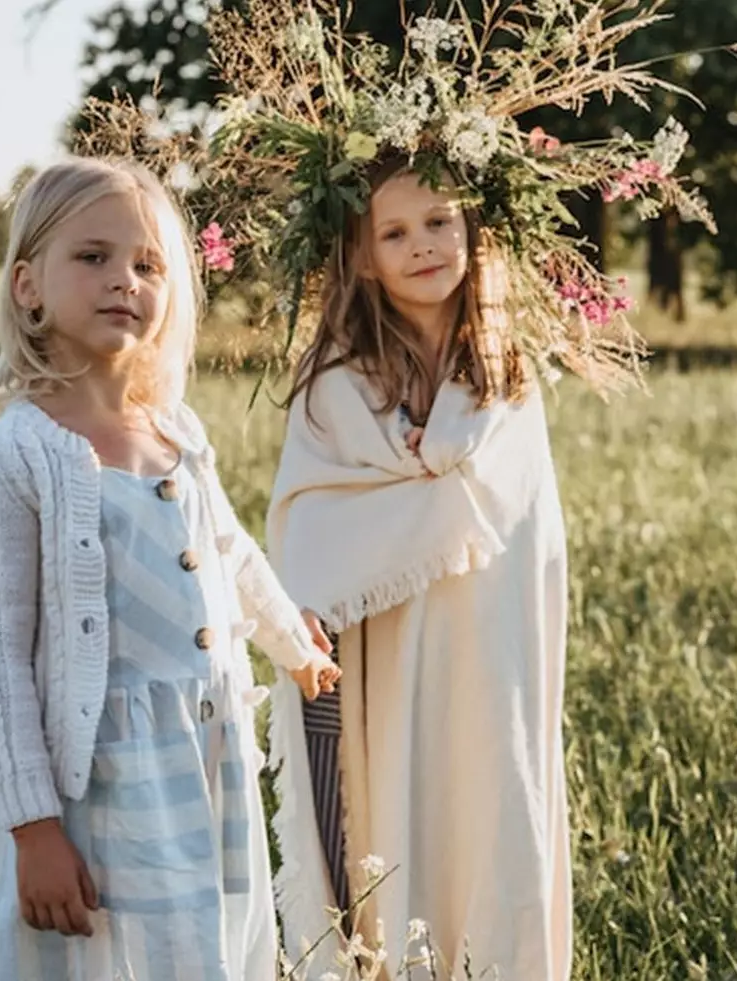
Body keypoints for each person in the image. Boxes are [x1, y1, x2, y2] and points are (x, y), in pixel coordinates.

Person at [0, 156, 339, 981]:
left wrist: (288, 638)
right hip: (97, 779)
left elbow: (228, 548)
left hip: (202, 753)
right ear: (28, 286)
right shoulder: (19, 453)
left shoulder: (174, 431)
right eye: (91, 257)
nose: (122, 280)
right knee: (101, 956)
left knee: (199, 949)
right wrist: (33, 826)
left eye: (147, 264)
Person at [266, 156, 572, 980]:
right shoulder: (336, 383)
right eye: (393, 232)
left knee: (488, 805)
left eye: (439, 220)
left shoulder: (506, 375)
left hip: (487, 645)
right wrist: (416, 489)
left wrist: (434, 473)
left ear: (471, 226)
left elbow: (516, 518)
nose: (422, 245)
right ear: (361, 256)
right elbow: (309, 518)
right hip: (384, 653)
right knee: (391, 821)